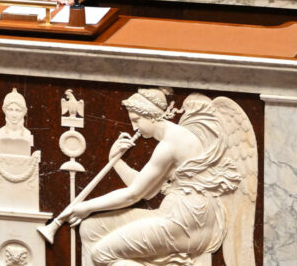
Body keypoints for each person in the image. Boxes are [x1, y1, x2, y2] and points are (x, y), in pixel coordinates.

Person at [60, 88, 256, 266]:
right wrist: (117, 162)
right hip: (178, 214)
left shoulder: (170, 144)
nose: (134, 126)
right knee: (90, 228)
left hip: (186, 221)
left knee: (103, 254)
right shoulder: (175, 138)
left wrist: (85, 206)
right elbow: (147, 191)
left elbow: (133, 195)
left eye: (136, 120)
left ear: (151, 115)